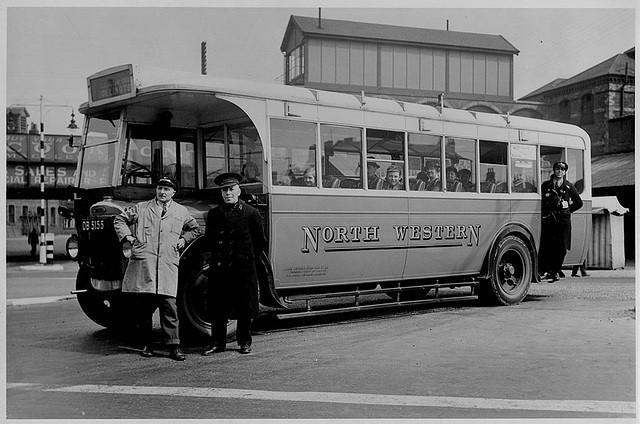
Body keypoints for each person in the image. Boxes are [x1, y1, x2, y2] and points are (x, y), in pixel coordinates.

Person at [114, 176, 201, 361]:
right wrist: (127, 237)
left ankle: (174, 347)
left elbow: (195, 229)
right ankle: (147, 344)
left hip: (167, 265)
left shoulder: (181, 211)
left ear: (173, 193)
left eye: (167, 189)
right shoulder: (142, 208)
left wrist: (184, 239)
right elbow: (119, 220)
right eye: (160, 188)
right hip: (146, 264)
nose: (162, 192)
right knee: (144, 309)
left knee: (170, 307)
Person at [202, 172, 267, 355]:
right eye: (224, 190)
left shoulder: (250, 213)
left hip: (243, 268)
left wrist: (246, 257)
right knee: (218, 307)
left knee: (244, 306)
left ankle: (244, 342)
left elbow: (260, 241)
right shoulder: (214, 214)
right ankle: (217, 343)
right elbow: (209, 241)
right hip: (220, 268)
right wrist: (209, 261)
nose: (227, 193)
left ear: (238, 190)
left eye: (231, 189)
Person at [539, 161, 583, 282]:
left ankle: (556, 270)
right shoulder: (545, 185)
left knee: (562, 248)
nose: (560, 171)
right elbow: (541, 202)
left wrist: (568, 211)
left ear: (565, 172)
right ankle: (548, 271)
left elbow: (579, 203)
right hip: (549, 220)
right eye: (557, 169)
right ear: (554, 170)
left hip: (563, 221)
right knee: (548, 247)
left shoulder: (568, 186)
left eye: (562, 170)